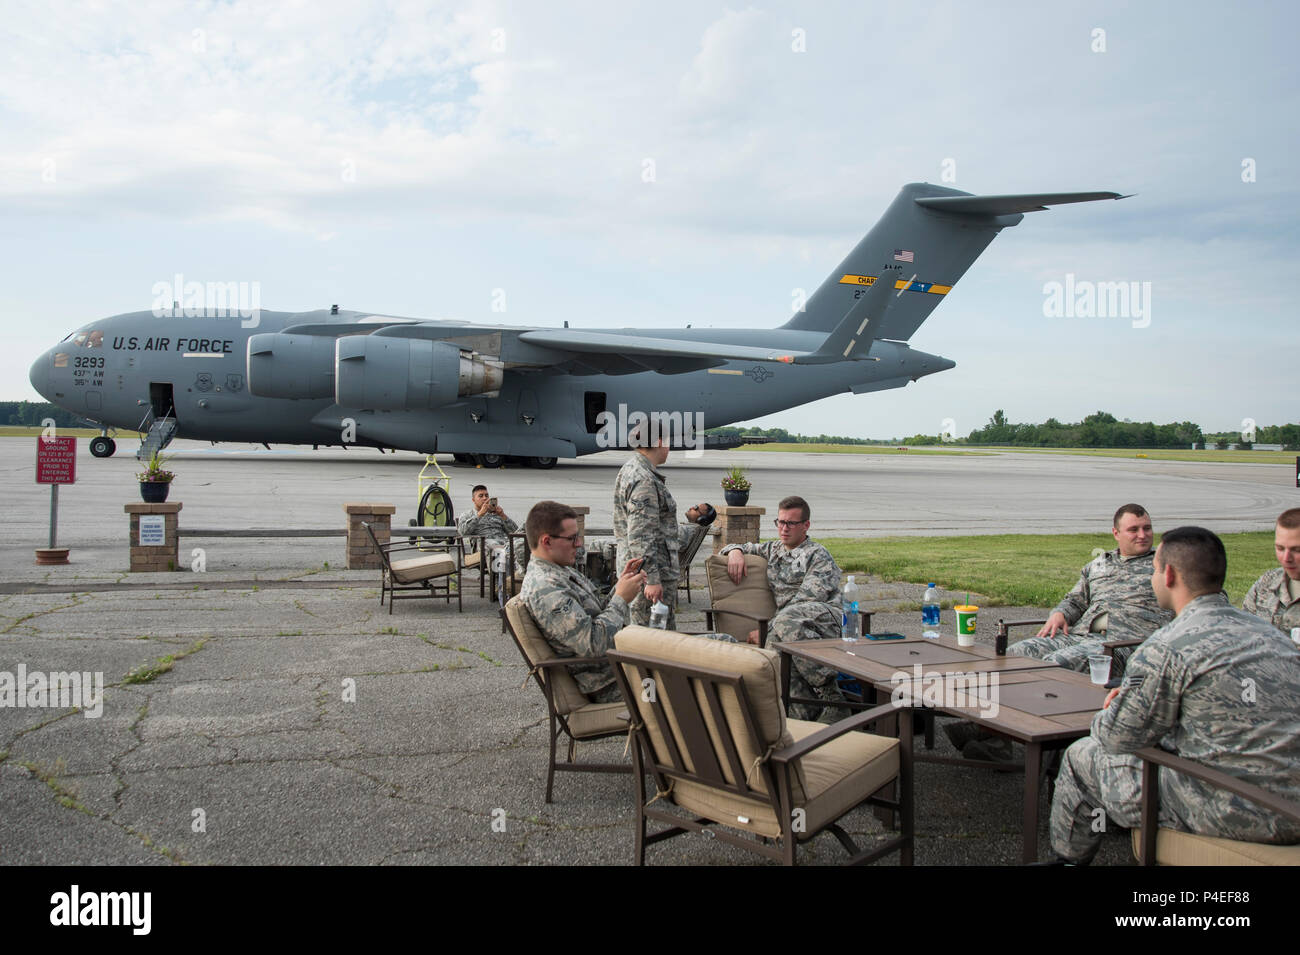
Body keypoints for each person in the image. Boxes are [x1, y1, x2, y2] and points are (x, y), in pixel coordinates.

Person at [1048, 526, 1300, 864]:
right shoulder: (1274, 638)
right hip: (1291, 803)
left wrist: (1119, 707)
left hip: (1236, 810)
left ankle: (1067, 862)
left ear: (1168, 575)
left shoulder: (1166, 647)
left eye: (1153, 570)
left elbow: (1115, 738)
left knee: (1082, 755)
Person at [720, 495, 849, 723]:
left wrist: (768, 628)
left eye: (791, 523)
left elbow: (806, 599)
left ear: (806, 525)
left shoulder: (818, 555)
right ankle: (801, 718)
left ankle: (834, 698)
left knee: (784, 623)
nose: (784, 528)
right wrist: (735, 552)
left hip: (826, 619)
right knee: (776, 654)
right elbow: (735, 545)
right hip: (788, 626)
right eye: (780, 522)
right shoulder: (774, 550)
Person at [1008, 503, 1172, 674]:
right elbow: (1075, 600)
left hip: (1125, 644)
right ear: (1116, 533)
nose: (1142, 535)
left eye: (1147, 528)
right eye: (1134, 530)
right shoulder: (1100, 563)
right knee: (1017, 653)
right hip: (1082, 637)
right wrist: (1060, 613)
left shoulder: (1163, 564)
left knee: (1056, 663)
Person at [518, 501, 646, 703]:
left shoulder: (560, 571)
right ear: (546, 541)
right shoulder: (546, 588)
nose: (579, 544)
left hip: (619, 668)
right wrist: (621, 599)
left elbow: (597, 614)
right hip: (608, 683)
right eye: (572, 538)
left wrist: (621, 585)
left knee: (697, 655)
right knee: (692, 678)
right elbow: (593, 644)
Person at [613, 429, 680, 629]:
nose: (669, 448)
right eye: (668, 442)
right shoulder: (644, 479)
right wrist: (651, 579)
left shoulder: (632, 469)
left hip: (637, 570)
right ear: (659, 441)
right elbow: (641, 535)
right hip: (647, 574)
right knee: (653, 639)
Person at [1242, 507, 1300, 635]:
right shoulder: (1267, 583)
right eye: (1280, 548)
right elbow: (1244, 635)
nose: (1286, 558)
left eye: (1296, 550)